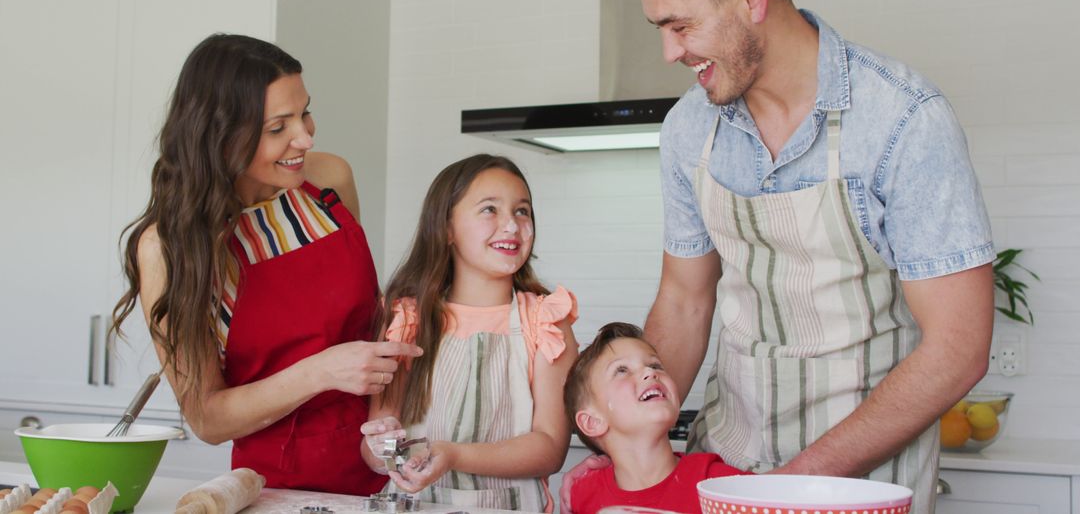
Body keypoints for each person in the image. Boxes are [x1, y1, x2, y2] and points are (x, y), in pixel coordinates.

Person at [564, 0, 996, 512]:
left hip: (859, 485)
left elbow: (958, 348)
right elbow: (685, 301)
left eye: (682, 25)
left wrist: (790, 486)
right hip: (723, 464)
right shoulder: (689, 130)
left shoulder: (903, 120)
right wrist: (621, 445)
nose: (670, 51)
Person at [111, 34, 421, 495]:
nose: (305, 137)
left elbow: (371, 323)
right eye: (278, 127)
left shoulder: (329, 179)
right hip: (278, 488)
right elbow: (207, 418)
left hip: (386, 455)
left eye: (305, 112)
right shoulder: (171, 248)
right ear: (220, 134)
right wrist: (321, 371)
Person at [358, 154, 579, 512]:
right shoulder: (407, 320)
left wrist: (453, 455)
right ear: (446, 229)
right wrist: (382, 445)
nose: (511, 225)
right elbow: (375, 449)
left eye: (522, 211)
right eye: (490, 209)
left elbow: (550, 447)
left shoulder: (545, 321)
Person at [563, 322, 747, 514]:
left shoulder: (720, 485)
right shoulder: (582, 495)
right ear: (592, 422)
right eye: (622, 370)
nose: (650, 372)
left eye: (655, 365)